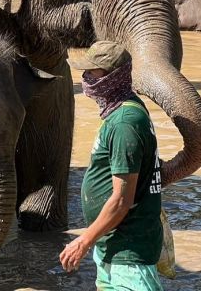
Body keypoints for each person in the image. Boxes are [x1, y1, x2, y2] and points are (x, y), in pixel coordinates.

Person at [59, 41, 164, 291]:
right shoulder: (120, 113)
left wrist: (83, 241)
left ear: (112, 77)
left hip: (129, 254)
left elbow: (121, 201)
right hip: (111, 245)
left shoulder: (125, 123)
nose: (85, 79)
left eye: (91, 73)